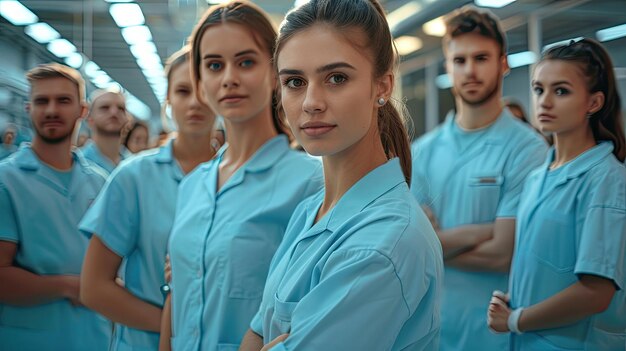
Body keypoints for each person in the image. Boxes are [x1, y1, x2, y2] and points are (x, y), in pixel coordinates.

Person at [240, 0, 443, 350]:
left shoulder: (382, 246)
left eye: (336, 78)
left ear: (382, 87)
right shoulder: (310, 211)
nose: (311, 102)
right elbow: (257, 333)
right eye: (294, 81)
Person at [161, 2, 323, 350]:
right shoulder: (193, 185)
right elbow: (178, 296)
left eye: (246, 62)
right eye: (214, 65)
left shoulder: (311, 183)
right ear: (201, 80)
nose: (229, 78)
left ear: (274, 70)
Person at [409, 6, 548, 351]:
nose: (470, 70)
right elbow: (409, 248)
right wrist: (487, 229)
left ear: (503, 63)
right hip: (432, 332)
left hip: (494, 335)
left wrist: (434, 242)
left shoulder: (528, 149)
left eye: (481, 58)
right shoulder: (421, 152)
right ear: (447, 67)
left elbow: (503, 253)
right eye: (460, 60)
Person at [488, 38, 626, 351]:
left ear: (594, 102)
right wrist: (516, 298)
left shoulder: (605, 179)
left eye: (561, 91)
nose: (545, 101)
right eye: (539, 89)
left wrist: (516, 319)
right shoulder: (539, 175)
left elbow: (596, 292)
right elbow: (545, 264)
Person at [79, 46, 217, 351]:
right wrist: (177, 326)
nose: (195, 102)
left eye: (204, 89)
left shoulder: (238, 178)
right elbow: (94, 288)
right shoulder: (134, 177)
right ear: (168, 100)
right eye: (182, 91)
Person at [0, 63, 111, 351]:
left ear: (82, 111)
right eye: (41, 101)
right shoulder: (6, 182)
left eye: (63, 100)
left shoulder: (100, 183)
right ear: (28, 109)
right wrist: (69, 286)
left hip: (94, 338)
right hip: (28, 341)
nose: (51, 110)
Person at [81, 87, 129, 174]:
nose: (114, 112)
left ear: (127, 118)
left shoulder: (134, 164)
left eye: (121, 108)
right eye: (105, 108)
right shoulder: (80, 163)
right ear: (90, 118)